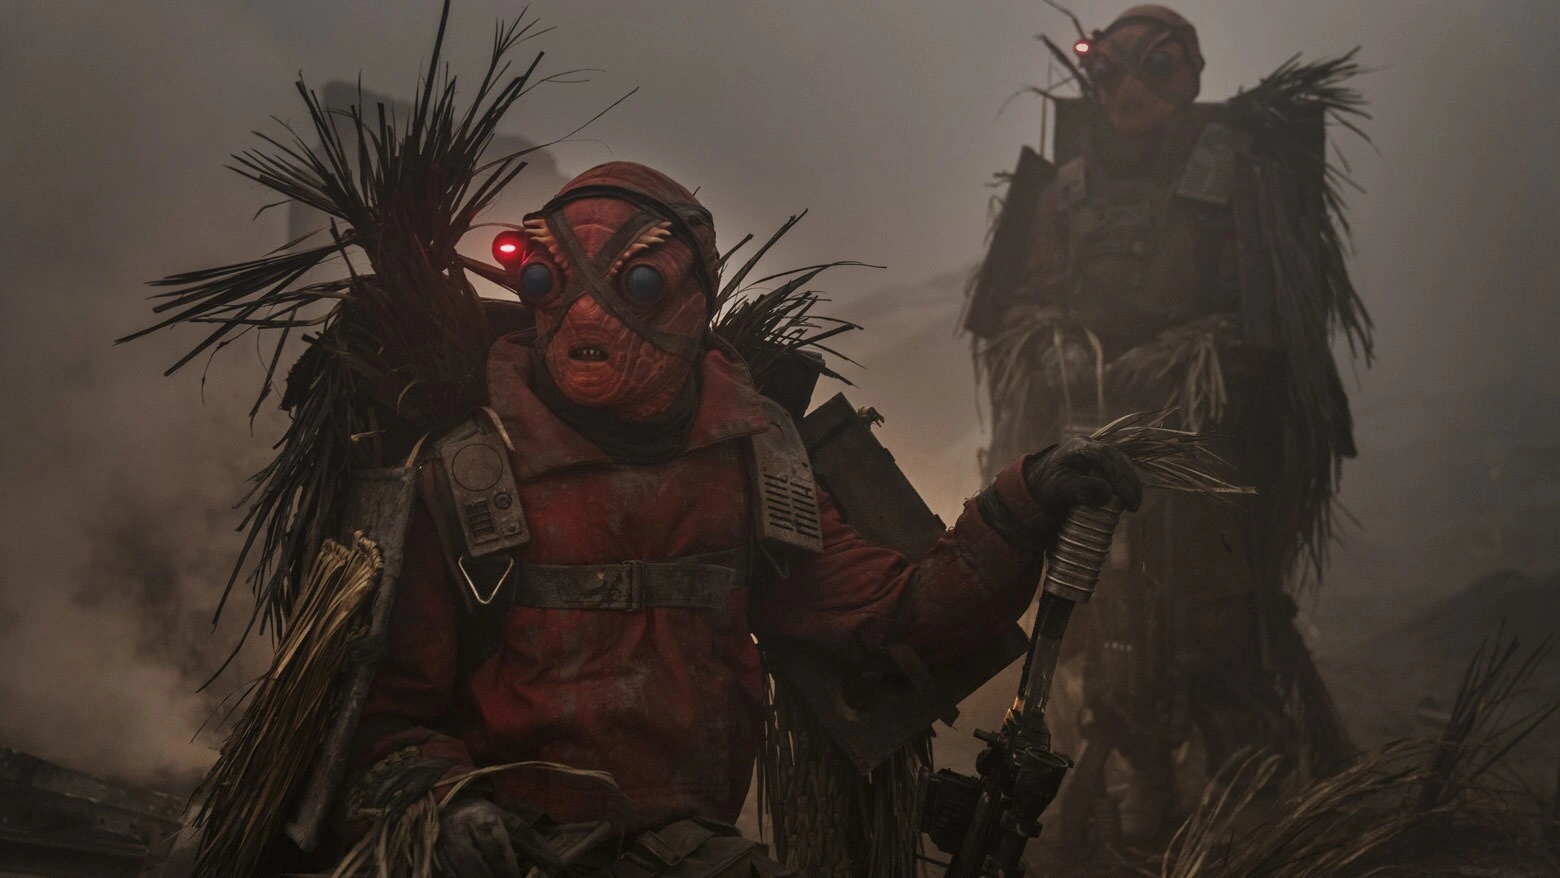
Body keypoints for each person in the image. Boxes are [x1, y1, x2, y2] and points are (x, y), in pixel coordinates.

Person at [344, 161, 1144, 877]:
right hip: (515, 851)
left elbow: (892, 618)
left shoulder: (754, 464)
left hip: (688, 848)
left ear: (696, 302)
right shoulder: (467, 474)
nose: (584, 314)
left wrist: (1020, 504)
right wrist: (447, 809)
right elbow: (383, 721)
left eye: (637, 283)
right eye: (550, 280)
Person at [966, 4, 1370, 850]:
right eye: (1110, 71)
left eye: (1159, 67)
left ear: (1189, 77)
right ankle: (1139, 783)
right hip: (1092, 448)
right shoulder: (1066, 188)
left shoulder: (1232, 174)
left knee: (1214, 623)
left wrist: (1193, 355)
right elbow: (1022, 306)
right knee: (1100, 620)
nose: (1132, 90)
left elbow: (1258, 313)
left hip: (1201, 451)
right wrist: (1051, 347)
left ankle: (1249, 804)